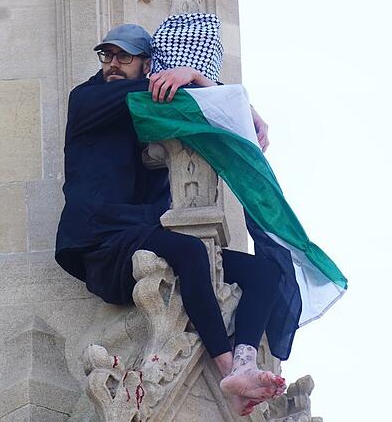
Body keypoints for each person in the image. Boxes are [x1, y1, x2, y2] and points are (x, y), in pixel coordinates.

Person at [55, 22, 297, 416]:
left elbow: (193, 105)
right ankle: (226, 370)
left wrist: (215, 90)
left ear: (146, 63)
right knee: (190, 252)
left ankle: (244, 362)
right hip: (102, 243)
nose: (112, 63)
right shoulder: (88, 98)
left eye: (124, 56)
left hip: (142, 233)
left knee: (264, 273)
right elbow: (180, 98)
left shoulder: (146, 106)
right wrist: (203, 82)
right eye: (107, 55)